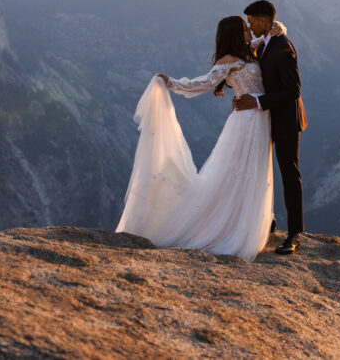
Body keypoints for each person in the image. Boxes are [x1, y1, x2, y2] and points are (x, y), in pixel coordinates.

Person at [116, 15, 278, 261]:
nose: (250, 31)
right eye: (245, 29)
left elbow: (274, 31)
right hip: (245, 123)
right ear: (235, 34)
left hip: (259, 120)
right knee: (237, 173)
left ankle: (242, 222)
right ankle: (229, 227)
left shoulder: (249, 51)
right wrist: (170, 83)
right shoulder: (229, 61)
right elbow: (200, 84)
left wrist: (279, 28)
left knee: (253, 172)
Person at [232, 0, 307, 255]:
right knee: (262, 169)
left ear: (264, 21)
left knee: (289, 172)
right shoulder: (266, 41)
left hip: (285, 119)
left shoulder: (283, 47)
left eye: (252, 22)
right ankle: (268, 220)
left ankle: (295, 234)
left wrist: (256, 101)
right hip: (266, 118)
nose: (250, 27)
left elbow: (293, 91)